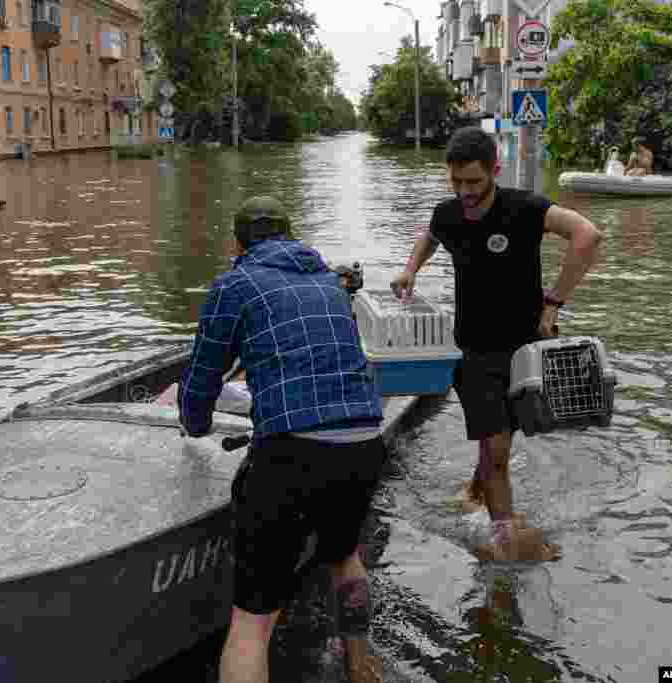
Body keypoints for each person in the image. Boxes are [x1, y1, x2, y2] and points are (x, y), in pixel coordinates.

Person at [177, 196, 386, 683]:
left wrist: (196, 423)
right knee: (345, 555)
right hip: (363, 442)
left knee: (252, 620)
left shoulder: (234, 284)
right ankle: (360, 665)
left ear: (238, 243)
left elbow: (204, 376)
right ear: (291, 236)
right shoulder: (330, 284)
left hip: (292, 452)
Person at [390, 126, 604, 563]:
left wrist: (554, 303)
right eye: (457, 182)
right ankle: (504, 540)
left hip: (527, 352)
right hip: (475, 352)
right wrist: (410, 268)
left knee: (500, 441)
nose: (465, 192)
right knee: (499, 449)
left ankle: (473, 490)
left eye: (474, 181)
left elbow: (588, 235)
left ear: (495, 171)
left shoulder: (524, 208)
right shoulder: (448, 213)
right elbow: (431, 234)